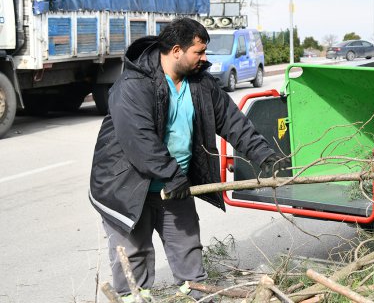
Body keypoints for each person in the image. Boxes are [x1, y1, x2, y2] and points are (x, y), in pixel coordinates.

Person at [89, 18, 285, 300]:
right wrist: (171, 174)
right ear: (177, 50)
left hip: (174, 186)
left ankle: (197, 296)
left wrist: (264, 156)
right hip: (127, 189)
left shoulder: (201, 84)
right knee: (134, 264)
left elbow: (233, 122)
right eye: (200, 52)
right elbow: (140, 139)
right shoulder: (133, 84)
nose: (205, 58)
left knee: (189, 257)